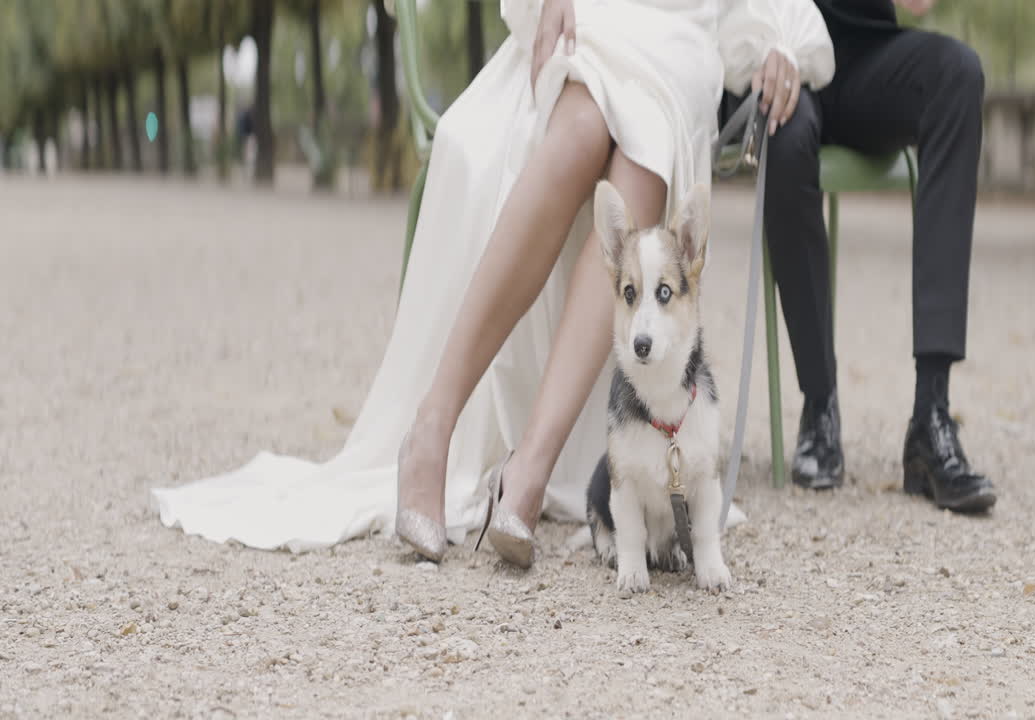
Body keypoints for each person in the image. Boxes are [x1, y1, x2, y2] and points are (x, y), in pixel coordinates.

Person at [151, 0, 836, 563]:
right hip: (593, 17)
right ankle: (433, 424)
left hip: (684, 41)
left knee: (645, 162)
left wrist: (780, 40)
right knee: (578, 129)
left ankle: (530, 468)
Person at [719, 0, 996, 511]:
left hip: (864, 63)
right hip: (772, 54)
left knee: (958, 74)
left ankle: (931, 415)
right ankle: (820, 405)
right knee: (785, 136)